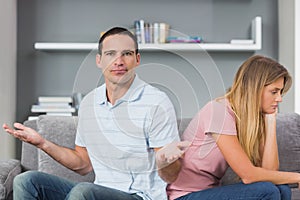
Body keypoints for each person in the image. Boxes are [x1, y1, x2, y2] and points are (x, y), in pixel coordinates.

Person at [3, 27, 189, 200]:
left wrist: (165, 160)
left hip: (139, 196)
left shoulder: (156, 102)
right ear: (99, 61)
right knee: (26, 181)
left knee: (83, 191)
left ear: (137, 60)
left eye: (127, 54)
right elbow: (83, 164)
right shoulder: (90, 102)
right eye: (110, 54)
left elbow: (170, 176)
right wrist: (42, 143)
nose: (119, 61)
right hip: (98, 191)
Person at [167, 55, 300, 200]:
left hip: (210, 192)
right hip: (185, 196)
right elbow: (248, 176)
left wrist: (270, 120)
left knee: (282, 188)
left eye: (280, 92)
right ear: (254, 89)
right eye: (274, 92)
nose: (279, 99)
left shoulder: (250, 119)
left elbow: (269, 172)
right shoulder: (218, 112)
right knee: (268, 191)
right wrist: (297, 177)